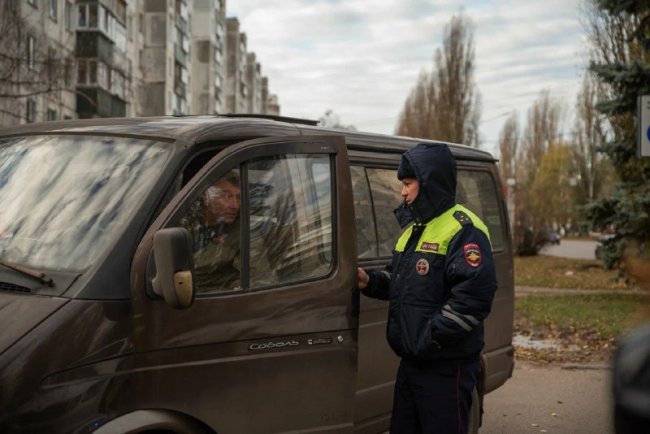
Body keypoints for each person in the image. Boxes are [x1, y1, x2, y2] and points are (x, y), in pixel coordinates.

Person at [357, 142, 497, 434]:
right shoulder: (413, 230)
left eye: (408, 183)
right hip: (412, 363)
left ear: (429, 181)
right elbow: (399, 282)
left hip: (446, 367)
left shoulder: (463, 228)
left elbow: (472, 299)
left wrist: (428, 338)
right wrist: (369, 281)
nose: (402, 191)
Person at [182, 170, 242, 292]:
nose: (235, 205)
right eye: (227, 196)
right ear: (206, 196)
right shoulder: (184, 223)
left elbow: (257, 275)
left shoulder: (241, 231)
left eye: (238, 197)